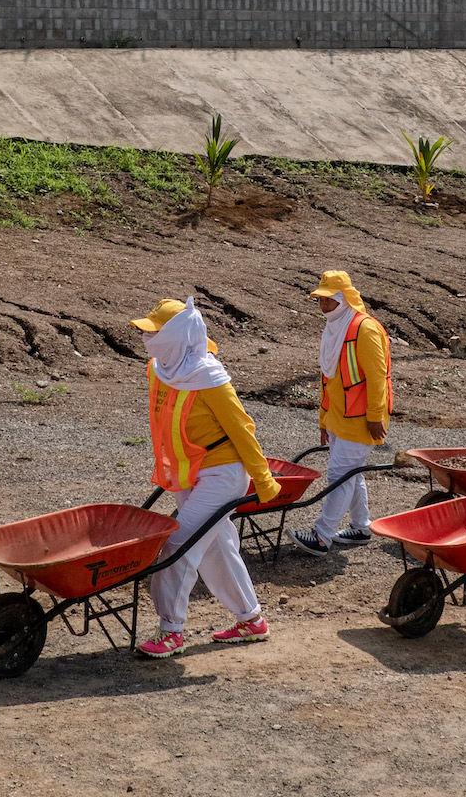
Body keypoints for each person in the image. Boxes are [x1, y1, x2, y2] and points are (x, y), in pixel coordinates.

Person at [131, 297, 281, 656]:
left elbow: (242, 429)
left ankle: (171, 631)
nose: (147, 339)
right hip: (189, 470)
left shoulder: (209, 377)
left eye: (154, 333)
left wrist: (263, 479)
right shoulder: (160, 368)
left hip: (223, 473)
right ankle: (251, 619)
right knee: (217, 547)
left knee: (177, 544)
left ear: (178, 336)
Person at [292, 270, 392, 556]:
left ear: (344, 298)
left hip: (361, 419)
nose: (323, 306)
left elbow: (377, 377)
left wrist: (375, 416)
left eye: (329, 300)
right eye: (320, 300)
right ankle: (361, 528)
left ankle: (322, 536)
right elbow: (328, 378)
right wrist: (324, 420)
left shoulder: (365, 328)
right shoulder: (334, 327)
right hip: (338, 417)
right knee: (351, 474)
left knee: (340, 474)